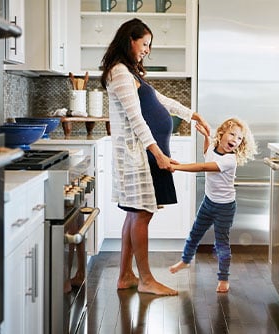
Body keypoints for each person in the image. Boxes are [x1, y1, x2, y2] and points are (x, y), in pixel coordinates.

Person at [100, 18, 210, 296]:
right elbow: (136, 119)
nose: (148, 49)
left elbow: (160, 101)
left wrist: (193, 115)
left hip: (144, 154)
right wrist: (158, 154)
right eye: (145, 43)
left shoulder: (129, 72)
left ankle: (126, 275)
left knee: (135, 214)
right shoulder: (120, 73)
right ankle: (146, 279)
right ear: (130, 41)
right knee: (142, 214)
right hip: (139, 156)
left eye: (150, 45)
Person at [169, 117, 257, 293]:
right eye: (232, 134)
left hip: (225, 207)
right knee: (194, 234)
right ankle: (185, 260)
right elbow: (207, 153)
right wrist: (206, 137)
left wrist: (177, 167)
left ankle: (223, 278)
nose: (234, 140)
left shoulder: (229, 160)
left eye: (239, 138)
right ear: (222, 133)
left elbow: (202, 167)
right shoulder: (213, 149)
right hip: (208, 202)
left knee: (221, 244)